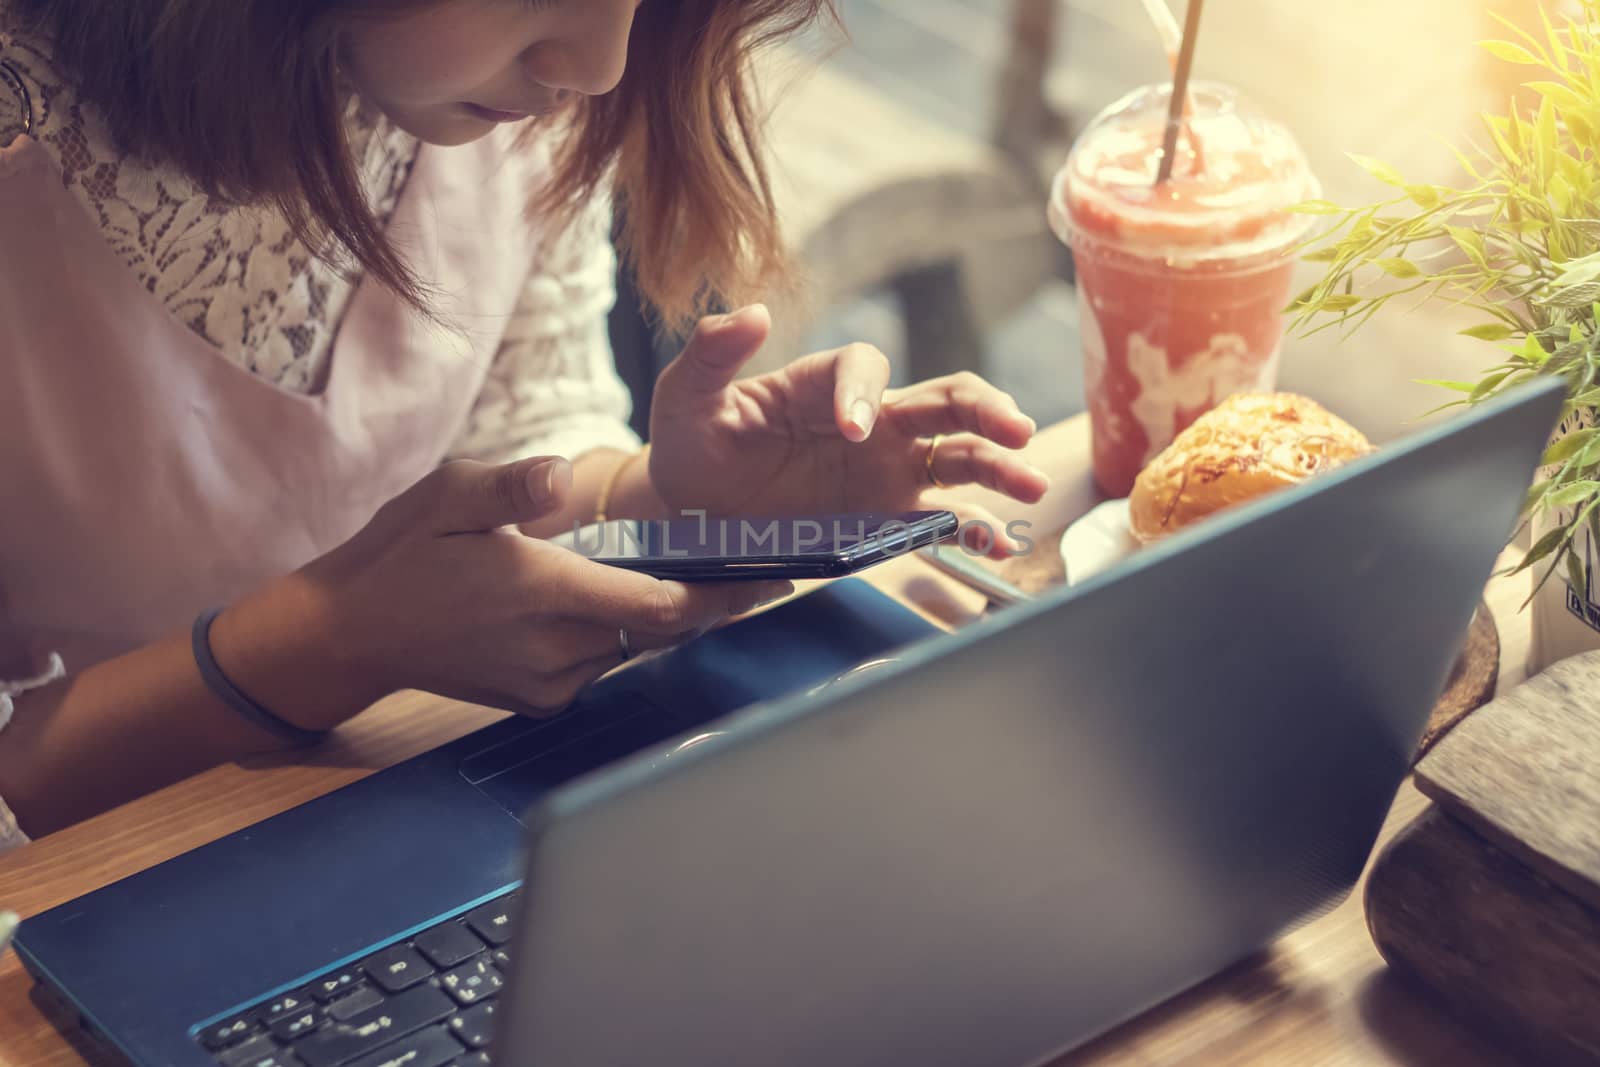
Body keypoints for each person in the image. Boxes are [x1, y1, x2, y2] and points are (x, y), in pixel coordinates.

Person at [0, 0, 1050, 848]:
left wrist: (663, 500)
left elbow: (519, 418)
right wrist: (329, 638)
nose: (600, 62)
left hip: (410, 796)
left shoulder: (481, 94)